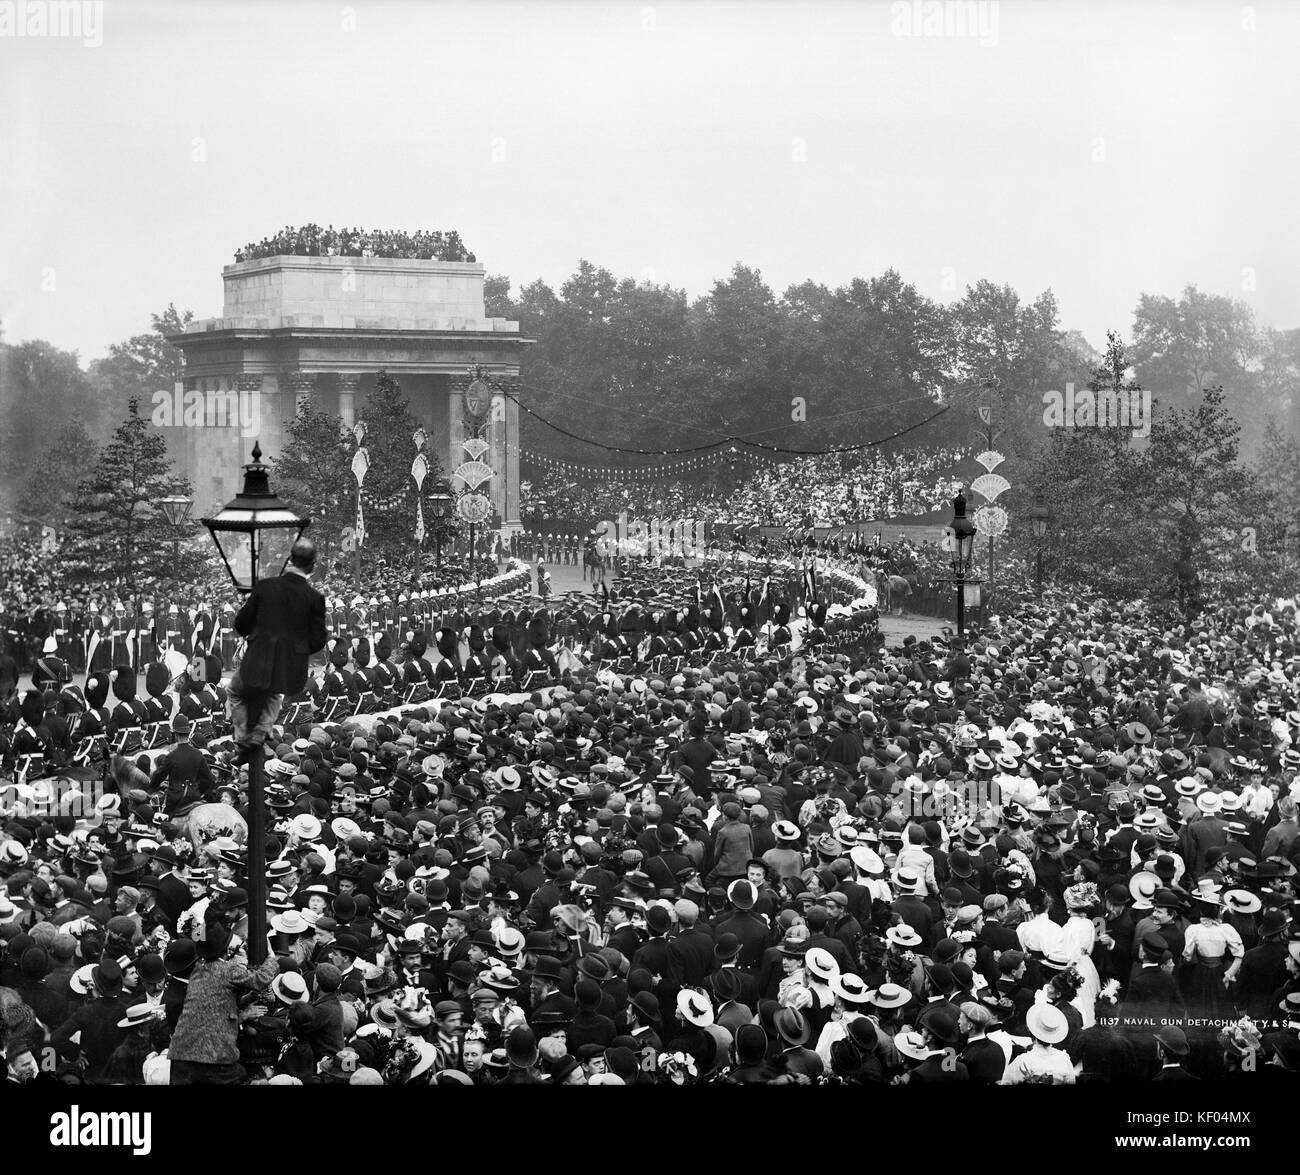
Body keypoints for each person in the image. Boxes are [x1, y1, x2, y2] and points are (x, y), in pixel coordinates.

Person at [227, 538, 328, 761]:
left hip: (257, 662)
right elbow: (319, 639)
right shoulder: (315, 598)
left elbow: (241, 623)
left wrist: (259, 637)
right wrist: (296, 649)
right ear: (312, 566)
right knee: (274, 690)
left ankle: (243, 737)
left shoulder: (265, 587)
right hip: (289, 670)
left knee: (235, 691)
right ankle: (262, 730)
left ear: (290, 560)